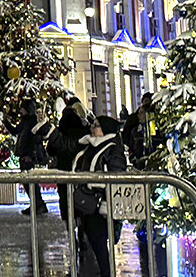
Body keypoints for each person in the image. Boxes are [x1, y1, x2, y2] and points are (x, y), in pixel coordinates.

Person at [71, 115, 129, 277]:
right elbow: (65, 145)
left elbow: (116, 176)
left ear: (105, 130)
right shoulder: (90, 146)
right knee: (95, 244)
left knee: (99, 244)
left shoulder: (112, 149)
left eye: (96, 125)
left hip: (100, 206)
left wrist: (106, 200)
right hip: (88, 203)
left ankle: (106, 274)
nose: (92, 128)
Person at [47, 97, 89, 222]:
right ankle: (80, 225)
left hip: (63, 170)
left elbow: (50, 150)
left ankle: (69, 225)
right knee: (80, 198)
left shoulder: (60, 131)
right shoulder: (83, 131)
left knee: (65, 198)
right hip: (79, 170)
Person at [11, 97, 52, 215]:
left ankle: (38, 204)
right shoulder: (25, 121)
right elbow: (15, 131)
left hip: (27, 155)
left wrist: (30, 155)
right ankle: (37, 204)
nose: (21, 111)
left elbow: (34, 140)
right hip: (24, 154)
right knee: (27, 181)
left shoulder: (31, 122)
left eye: (23, 109)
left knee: (29, 181)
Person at [122, 93, 154, 168]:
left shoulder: (154, 131)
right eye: (138, 113)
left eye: (141, 113)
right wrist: (133, 158)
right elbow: (130, 145)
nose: (138, 116)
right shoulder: (135, 131)